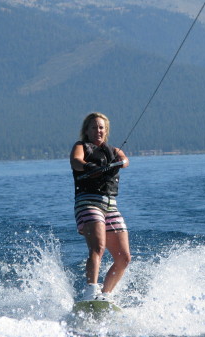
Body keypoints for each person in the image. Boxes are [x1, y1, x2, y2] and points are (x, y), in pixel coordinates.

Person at [70, 112, 131, 302]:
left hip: (110, 205)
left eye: (101, 127)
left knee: (124, 258)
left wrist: (119, 163)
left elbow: (126, 160)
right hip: (88, 202)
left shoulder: (113, 150)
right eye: (94, 127)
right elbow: (76, 161)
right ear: (87, 131)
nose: (98, 130)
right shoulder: (80, 147)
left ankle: (105, 296)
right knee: (98, 247)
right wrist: (89, 167)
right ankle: (90, 291)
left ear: (106, 131)